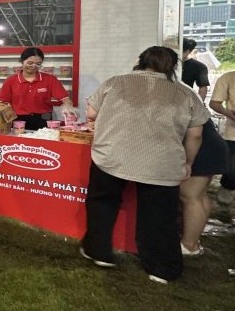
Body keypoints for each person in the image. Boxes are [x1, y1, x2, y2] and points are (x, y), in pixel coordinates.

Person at [81, 47, 210, 284]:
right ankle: (162, 269)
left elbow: (91, 113)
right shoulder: (185, 93)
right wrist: (188, 162)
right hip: (161, 162)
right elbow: (195, 134)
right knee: (160, 217)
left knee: (102, 204)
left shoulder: (116, 83)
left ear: (139, 62)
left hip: (111, 156)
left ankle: (98, 251)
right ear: (173, 67)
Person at [178, 39, 229, 256]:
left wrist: (189, 162)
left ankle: (189, 245)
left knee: (190, 196)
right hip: (211, 146)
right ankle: (193, 241)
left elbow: (195, 135)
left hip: (203, 148)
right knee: (198, 196)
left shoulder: (178, 92)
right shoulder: (180, 90)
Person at [0, 47, 76, 130]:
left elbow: (65, 99)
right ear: (22, 61)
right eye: (30, 63)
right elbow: (2, 103)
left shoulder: (50, 79)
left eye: (38, 64)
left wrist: (68, 108)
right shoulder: (11, 80)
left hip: (44, 119)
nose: (34, 66)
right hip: (18, 120)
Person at [210, 70, 235, 209]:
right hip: (233, 134)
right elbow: (214, 103)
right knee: (231, 173)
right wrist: (228, 113)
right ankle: (226, 195)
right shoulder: (228, 78)